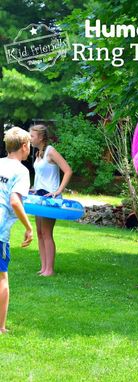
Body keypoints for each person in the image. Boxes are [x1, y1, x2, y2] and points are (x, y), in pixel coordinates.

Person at [0, 127, 33, 334]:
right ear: (24, 146)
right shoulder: (21, 171)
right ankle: (1, 327)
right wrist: (29, 227)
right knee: (2, 277)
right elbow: (15, 201)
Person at [29, 124, 72, 277]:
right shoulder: (38, 154)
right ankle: (43, 268)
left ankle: (50, 270)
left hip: (50, 198)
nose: (30, 138)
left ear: (40, 137)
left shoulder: (51, 151)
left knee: (47, 233)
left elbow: (68, 170)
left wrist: (58, 191)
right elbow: (42, 176)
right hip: (39, 196)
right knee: (40, 233)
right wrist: (34, 188)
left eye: (32, 136)